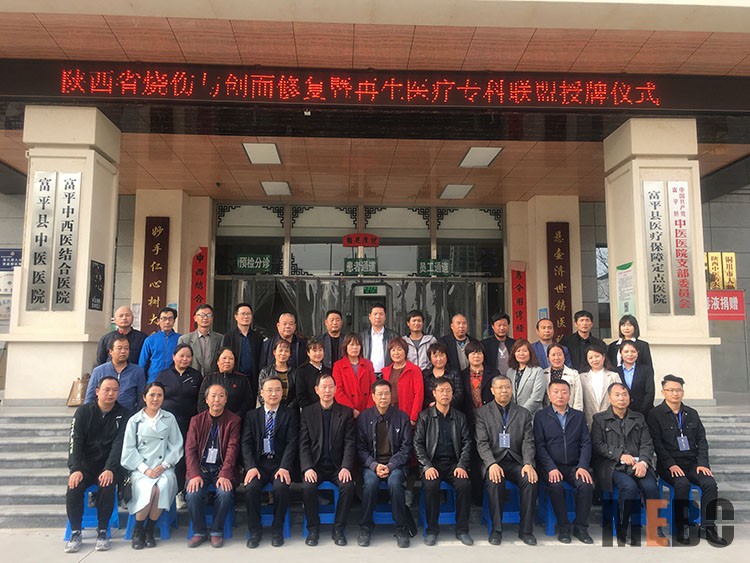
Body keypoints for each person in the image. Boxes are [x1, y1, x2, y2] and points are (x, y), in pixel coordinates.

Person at [647, 374, 728, 546]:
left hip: (692, 463)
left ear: (683, 392)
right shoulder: (655, 414)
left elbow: (702, 441)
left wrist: (703, 464)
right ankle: (681, 527)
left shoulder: (691, 413)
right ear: (663, 392)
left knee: (710, 483)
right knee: (682, 484)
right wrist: (670, 464)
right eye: (670, 390)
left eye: (678, 390)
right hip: (669, 464)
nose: (675, 393)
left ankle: (708, 528)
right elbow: (657, 444)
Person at [64, 376, 128, 553]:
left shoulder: (124, 414)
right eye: (107, 389)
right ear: (97, 391)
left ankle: (103, 532)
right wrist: (75, 469)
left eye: (115, 390)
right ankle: (75, 532)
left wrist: (110, 468)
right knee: (74, 487)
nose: (111, 393)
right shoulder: (83, 412)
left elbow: (119, 445)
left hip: (109, 466)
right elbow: (75, 442)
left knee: (107, 487)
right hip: (85, 466)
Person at [591, 382, 660, 544]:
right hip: (612, 466)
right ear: (610, 398)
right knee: (629, 487)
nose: (621, 398)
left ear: (629, 398)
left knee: (651, 487)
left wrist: (644, 462)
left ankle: (655, 529)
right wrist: (619, 455)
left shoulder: (639, 418)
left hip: (638, 464)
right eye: (617, 395)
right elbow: (598, 445)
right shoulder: (599, 419)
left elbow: (647, 443)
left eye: (624, 394)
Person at [475, 375, 538, 546]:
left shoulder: (523, 413)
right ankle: (496, 530)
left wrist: (528, 463)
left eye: (507, 387)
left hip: (517, 461)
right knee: (495, 481)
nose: (504, 391)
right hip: (495, 460)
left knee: (530, 480)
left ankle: (526, 531)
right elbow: (482, 443)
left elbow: (528, 441)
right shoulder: (482, 413)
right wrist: (491, 464)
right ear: (492, 390)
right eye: (500, 387)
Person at [120, 382, 183, 549]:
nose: (155, 399)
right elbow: (128, 449)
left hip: (164, 468)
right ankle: (138, 530)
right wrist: (145, 469)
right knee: (150, 489)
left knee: (161, 487)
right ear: (144, 397)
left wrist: (164, 465)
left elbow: (176, 445)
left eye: (159, 395)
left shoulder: (169, 418)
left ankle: (150, 529)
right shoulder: (135, 421)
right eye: (152, 395)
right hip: (140, 469)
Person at [413, 378, 473, 547]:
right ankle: (432, 530)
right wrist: (426, 466)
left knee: (464, 485)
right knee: (431, 486)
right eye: (441, 391)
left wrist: (462, 465)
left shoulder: (460, 417)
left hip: (454, 464)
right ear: (434, 393)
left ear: (452, 394)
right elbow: (417, 444)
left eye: (448, 391)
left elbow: (467, 442)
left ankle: (462, 529)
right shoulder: (425, 416)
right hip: (432, 463)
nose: (445, 394)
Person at [533, 380, 594, 544]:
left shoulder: (578, 416)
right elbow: (539, 445)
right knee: (556, 486)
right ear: (549, 394)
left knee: (586, 485)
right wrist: (551, 467)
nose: (560, 395)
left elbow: (586, 443)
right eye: (556, 391)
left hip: (574, 466)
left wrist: (583, 466)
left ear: (570, 394)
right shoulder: (541, 416)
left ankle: (581, 527)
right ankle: (563, 526)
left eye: (564, 392)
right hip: (551, 466)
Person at [299, 373, 356, 547]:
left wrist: (346, 467)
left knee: (348, 486)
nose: (327, 390)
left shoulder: (345, 412)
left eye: (331, 386)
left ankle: (338, 529)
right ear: (317, 390)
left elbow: (350, 443)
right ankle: (313, 529)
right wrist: (307, 467)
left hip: (337, 466)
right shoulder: (307, 412)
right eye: (323, 387)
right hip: (315, 465)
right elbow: (303, 443)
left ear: (336, 389)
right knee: (307, 487)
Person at [242, 376, 299, 548]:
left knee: (281, 488)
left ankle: (277, 529)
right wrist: (250, 467)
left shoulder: (290, 414)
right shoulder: (252, 415)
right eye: (269, 390)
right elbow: (246, 443)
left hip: (279, 464)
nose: (273, 394)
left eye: (277, 390)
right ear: (262, 393)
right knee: (251, 488)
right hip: (258, 464)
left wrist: (284, 467)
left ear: (282, 393)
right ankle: (255, 531)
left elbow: (292, 443)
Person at [356, 379, 413, 548]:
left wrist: (390, 466)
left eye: (386, 393)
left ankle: (401, 527)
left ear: (391, 395)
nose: (383, 397)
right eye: (379, 394)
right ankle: (365, 526)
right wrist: (374, 465)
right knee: (370, 482)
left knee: (395, 482)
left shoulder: (402, 417)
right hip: (371, 465)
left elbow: (406, 448)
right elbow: (360, 448)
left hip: (395, 465)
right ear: (373, 396)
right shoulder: (364, 418)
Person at [184, 383, 241, 548]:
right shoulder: (196, 420)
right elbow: (190, 449)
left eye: (221, 396)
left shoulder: (233, 421)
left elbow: (232, 449)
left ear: (226, 400)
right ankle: (199, 531)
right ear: (207, 400)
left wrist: (225, 473)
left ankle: (216, 530)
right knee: (193, 494)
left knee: (224, 493)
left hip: (221, 469)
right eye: (213, 396)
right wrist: (194, 474)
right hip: (200, 469)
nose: (217, 400)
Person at [154, 343, 202, 508]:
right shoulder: (163, 375)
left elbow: (200, 399)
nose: (184, 359)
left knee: (183, 457)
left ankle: (180, 491)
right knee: (165, 455)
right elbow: (155, 396)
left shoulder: (196, 376)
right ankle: (162, 490)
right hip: (165, 424)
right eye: (181, 355)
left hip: (188, 423)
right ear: (174, 357)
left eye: (188, 356)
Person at [86, 335, 146, 413]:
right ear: (111, 351)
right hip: (102, 414)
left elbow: (141, 397)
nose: (123, 351)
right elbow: (90, 397)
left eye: (126, 348)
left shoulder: (137, 371)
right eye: (119, 348)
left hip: (128, 414)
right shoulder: (99, 371)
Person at [221, 303, 264, 405]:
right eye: (243, 314)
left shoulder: (257, 337)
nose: (246, 316)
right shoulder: (229, 337)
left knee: (250, 406)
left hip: (252, 379)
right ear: (236, 316)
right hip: (234, 377)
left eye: (248, 314)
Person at [198, 348, 253, 421]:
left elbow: (247, 402)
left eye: (231, 359)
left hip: (235, 421)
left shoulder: (242, 379)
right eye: (224, 358)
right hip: (210, 421)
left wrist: (235, 418)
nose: (227, 361)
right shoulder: (209, 378)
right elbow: (201, 402)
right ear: (218, 361)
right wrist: (211, 417)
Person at [332, 332, 376, 418]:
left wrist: (368, 409)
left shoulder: (368, 364)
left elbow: (374, 388)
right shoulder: (338, 366)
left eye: (357, 345)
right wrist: (351, 410)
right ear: (346, 346)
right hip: (347, 411)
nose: (355, 347)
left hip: (367, 410)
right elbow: (338, 391)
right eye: (351, 345)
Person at [382, 338, 424, 425]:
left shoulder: (414, 370)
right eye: (393, 350)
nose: (396, 353)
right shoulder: (386, 371)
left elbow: (419, 394)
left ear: (405, 351)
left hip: (407, 414)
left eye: (399, 349)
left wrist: (414, 417)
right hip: (389, 413)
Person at [579, 344, 620, 427]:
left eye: (597, 356)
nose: (594, 360)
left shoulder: (613, 376)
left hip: (611, 420)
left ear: (603, 357)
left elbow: (619, 396)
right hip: (589, 419)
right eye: (590, 358)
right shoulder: (581, 377)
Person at [178, 304, 224, 377]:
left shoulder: (220, 338)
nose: (205, 318)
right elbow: (180, 362)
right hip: (191, 378)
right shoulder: (184, 339)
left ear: (212, 318)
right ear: (195, 318)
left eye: (209, 315)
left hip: (213, 379)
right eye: (202, 315)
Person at [139, 307, 181, 383]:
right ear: (158, 321)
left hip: (174, 380)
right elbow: (142, 364)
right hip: (153, 380)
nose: (167, 322)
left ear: (174, 321)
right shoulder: (150, 340)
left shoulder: (180, 339)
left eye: (170, 319)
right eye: (164, 319)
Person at [460, 340, 498, 423]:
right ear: (467, 356)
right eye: (473, 353)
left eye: (479, 353)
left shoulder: (493, 373)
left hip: (490, 415)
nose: (476, 356)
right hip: (469, 417)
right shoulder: (462, 375)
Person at [506, 339, 545, 417]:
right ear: (514, 354)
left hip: (531, 415)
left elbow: (537, 397)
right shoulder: (510, 372)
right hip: (512, 415)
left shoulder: (537, 371)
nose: (521, 353)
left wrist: (522, 413)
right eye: (518, 351)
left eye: (525, 351)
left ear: (530, 353)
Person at [616, 340, 655, 417]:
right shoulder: (615, 371)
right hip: (621, 413)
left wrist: (641, 412)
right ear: (621, 353)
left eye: (633, 351)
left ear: (637, 353)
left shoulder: (646, 370)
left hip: (644, 413)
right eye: (626, 352)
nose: (630, 354)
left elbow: (650, 393)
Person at [359, 303, 399, 376]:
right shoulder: (362, 336)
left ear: (385, 317)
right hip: (367, 375)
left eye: (381, 314)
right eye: (375, 314)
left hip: (388, 375)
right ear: (369, 316)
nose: (378, 317)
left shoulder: (393, 336)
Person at [422, 341, 464, 411]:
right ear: (430, 358)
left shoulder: (454, 372)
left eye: (441, 355)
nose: (439, 359)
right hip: (430, 411)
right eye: (435, 356)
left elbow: (459, 394)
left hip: (451, 411)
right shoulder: (425, 374)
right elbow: (423, 395)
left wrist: (442, 403)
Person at [257, 339, 297, 408]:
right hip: (270, 410)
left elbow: (297, 395)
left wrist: (288, 409)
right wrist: (271, 408)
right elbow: (261, 393)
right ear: (274, 352)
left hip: (290, 410)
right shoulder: (265, 372)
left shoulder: (295, 372)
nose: (283, 353)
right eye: (280, 350)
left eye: (286, 351)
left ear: (290, 354)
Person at [543, 343, 583, 411]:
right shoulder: (543, 374)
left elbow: (578, 399)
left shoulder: (574, 374)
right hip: (548, 413)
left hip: (569, 413)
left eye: (560, 354)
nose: (557, 358)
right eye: (553, 355)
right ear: (548, 358)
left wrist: (577, 414)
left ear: (564, 356)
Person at [295, 338, 332, 409]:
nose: (318, 353)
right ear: (308, 353)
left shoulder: (328, 371)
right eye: (314, 350)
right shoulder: (302, 371)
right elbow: (301, 396)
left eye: (320, 350)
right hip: (310, 410)